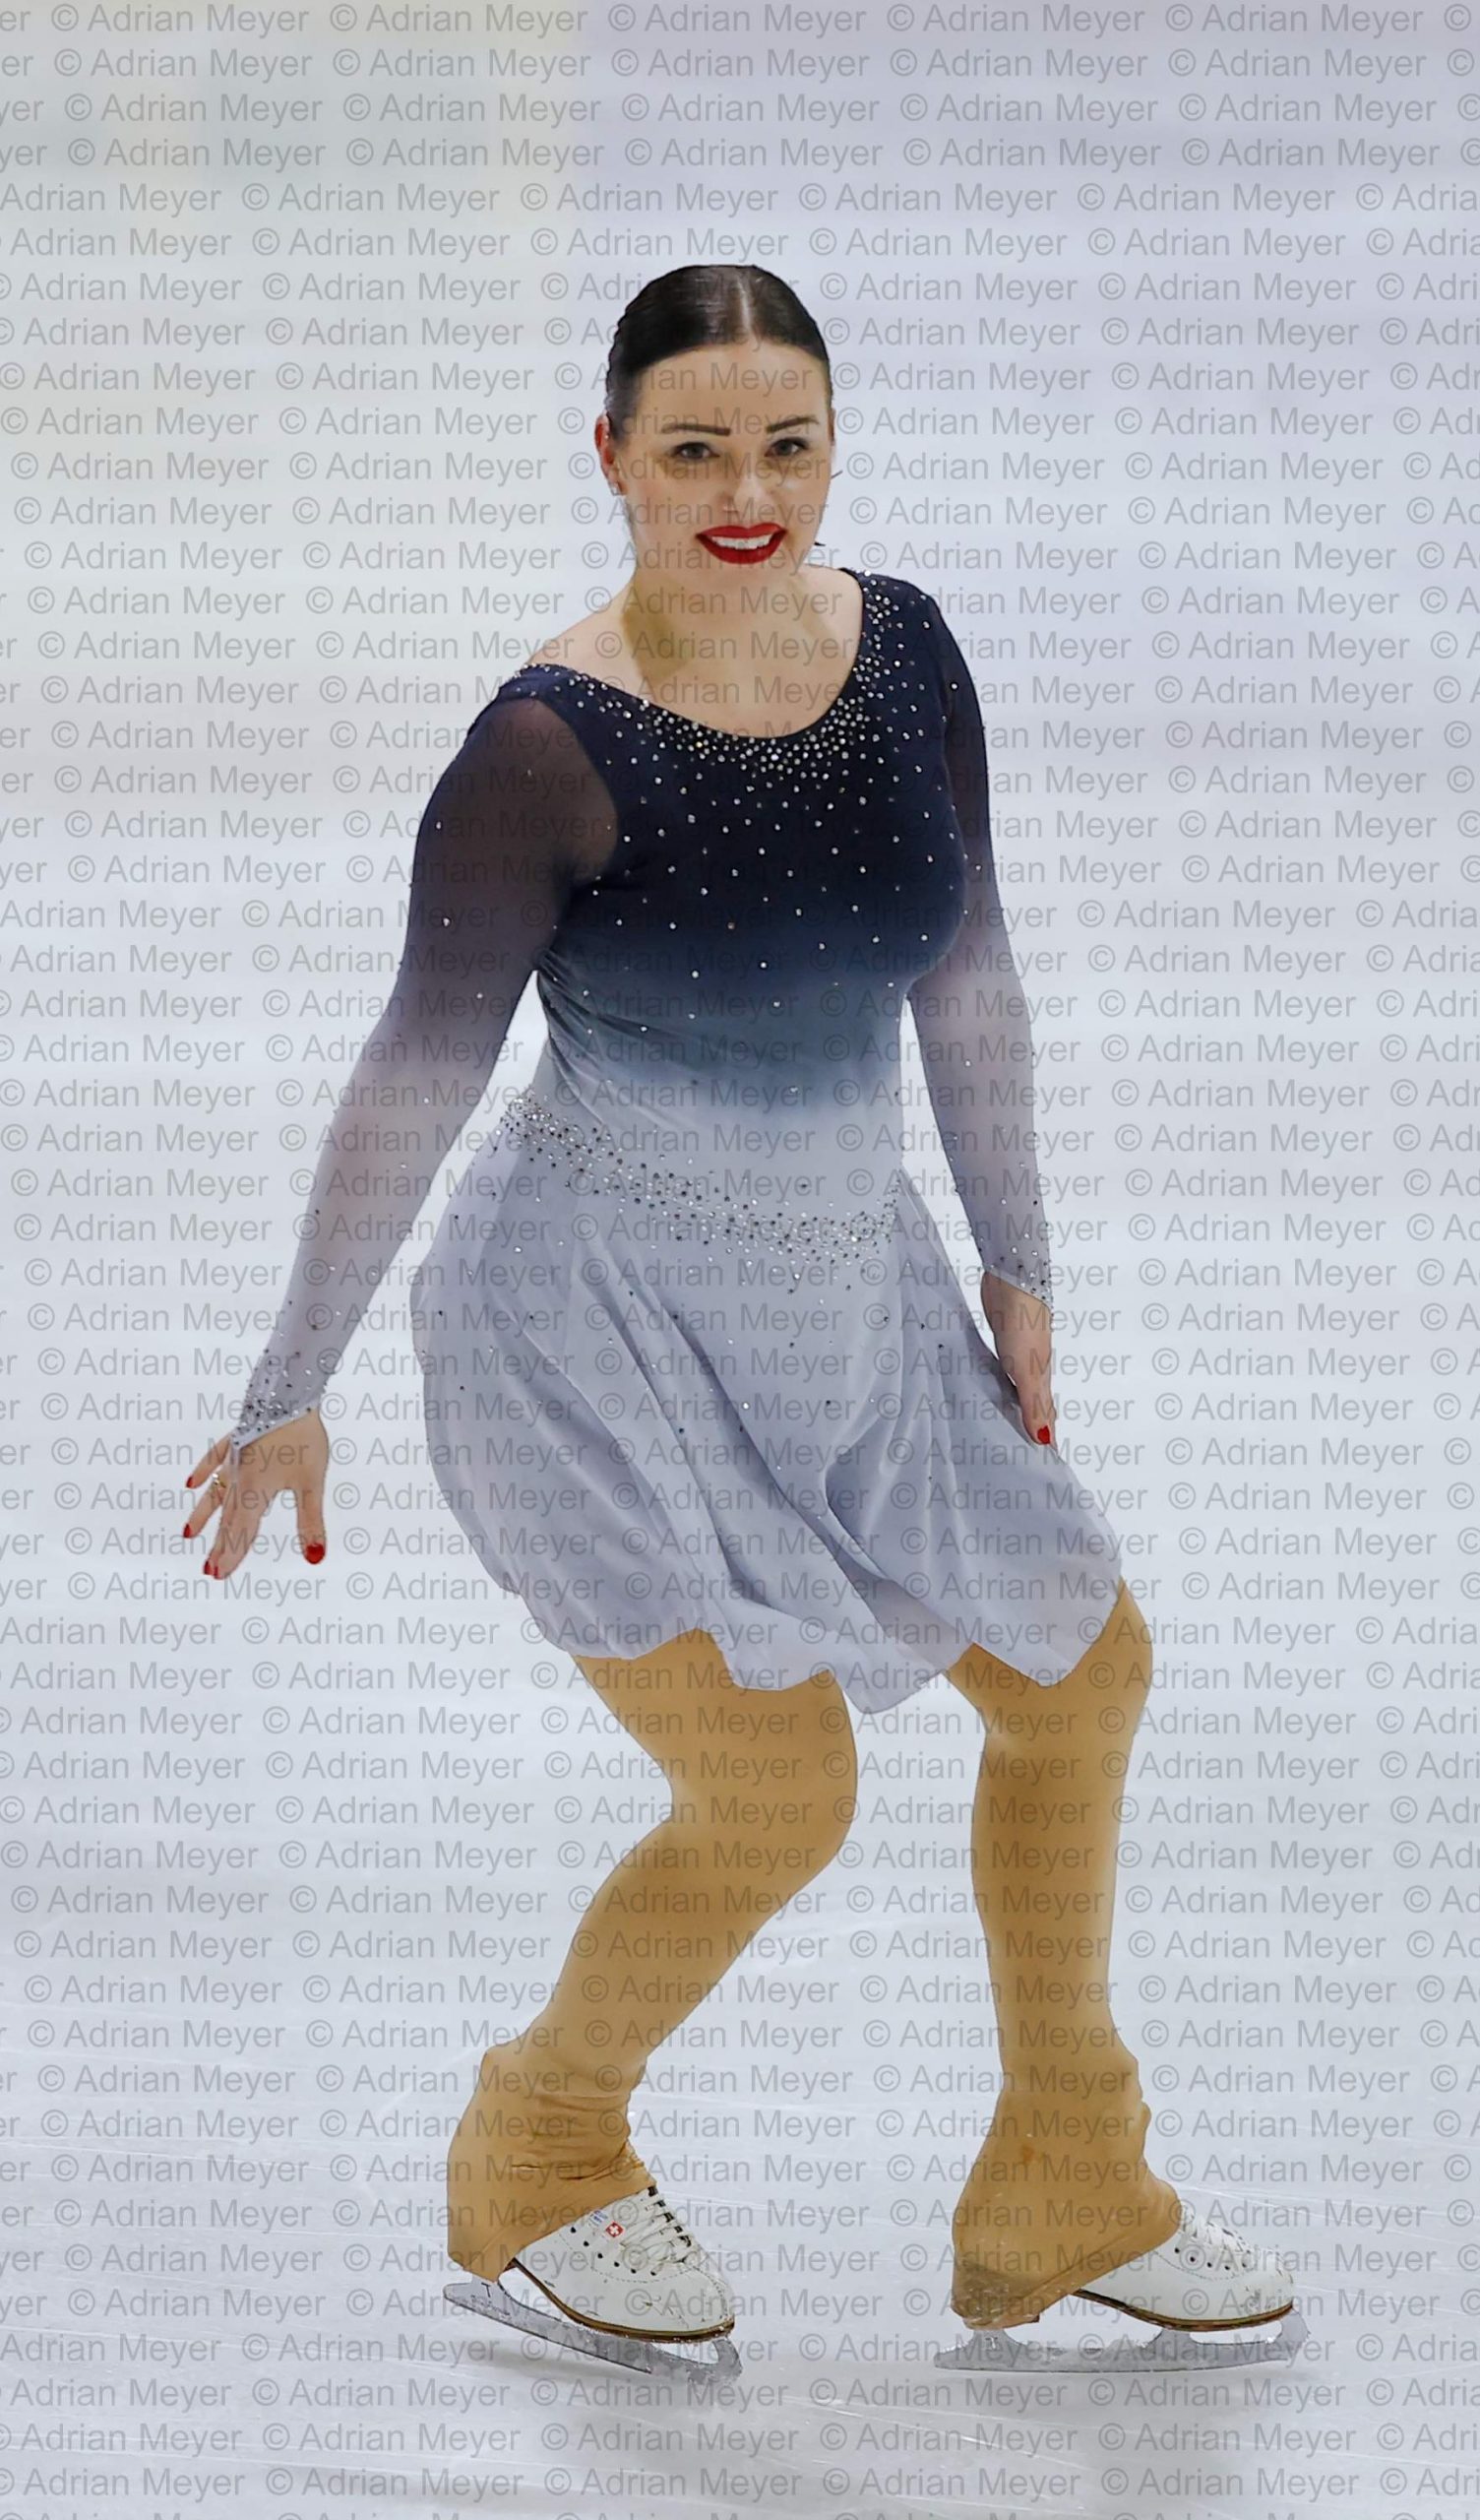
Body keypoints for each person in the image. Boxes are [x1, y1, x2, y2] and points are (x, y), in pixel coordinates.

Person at [182, 263, 1295, 2355]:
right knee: (780, 1792)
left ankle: (1066, 2167)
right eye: (694, 449)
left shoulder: (907, 654)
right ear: (612, 456)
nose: (746, 491)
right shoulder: (542, 751)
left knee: (1083, 1675)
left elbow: (970, 967)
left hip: (848, 1294)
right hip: (590, 1334)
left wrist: (1019, 1259)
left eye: (787, 444)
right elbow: (414, 1069)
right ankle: (539, 2142)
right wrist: (286, 1385)